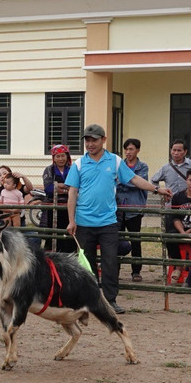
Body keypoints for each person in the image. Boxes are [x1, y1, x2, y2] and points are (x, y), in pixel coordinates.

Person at [66, 123, 157, 314]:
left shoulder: (114, 161)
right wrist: (71, 220)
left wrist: (156, 189)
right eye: (87, 140)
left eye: (94, 140)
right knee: (86, 264)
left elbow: (133, 179)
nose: (90, 144)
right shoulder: (79, 164)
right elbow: (72, 192)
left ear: (103, 140)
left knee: (110, 261)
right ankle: (89, 301)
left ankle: (110, 300)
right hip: (83, 222)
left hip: (108, 222)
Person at [117, 139, 150, 282]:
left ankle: (136, 271)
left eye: (131, 149)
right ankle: (115, 271)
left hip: (135, 209)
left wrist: (124, 180)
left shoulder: (143, 167)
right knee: (116, 240)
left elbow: (139, 184)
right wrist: (132, 181)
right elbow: (118, 181)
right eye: (126, 149)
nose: (128, 152)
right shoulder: (119, 165)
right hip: (117, 208)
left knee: (135, 240)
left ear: (138, 150)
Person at [41, 145, 75, 253]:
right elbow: (49, 189)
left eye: (63, 156)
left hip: (70, 208)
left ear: (67, 156)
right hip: (53, 208)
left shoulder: (72, 169)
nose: (61, 159)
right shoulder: (49, 170)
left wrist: (60, 186)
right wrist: (67, 188)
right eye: (58, 156)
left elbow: (76, 187)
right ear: (54, 158)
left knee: (69, 238)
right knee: (54, 236)